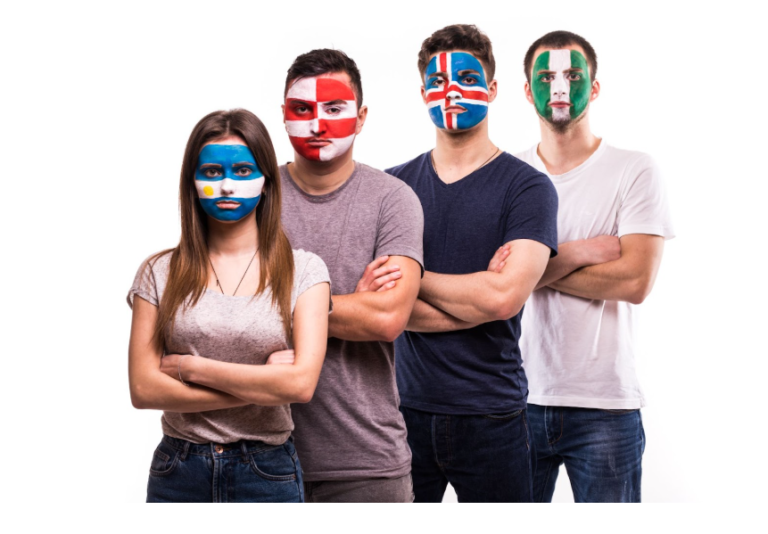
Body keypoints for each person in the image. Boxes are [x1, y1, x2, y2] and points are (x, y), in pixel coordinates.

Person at [385, 24, 559, 502]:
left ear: (494, 89)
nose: (453, 91)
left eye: (466, 77)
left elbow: (504, 298)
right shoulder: (392, 188)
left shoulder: (528, 188)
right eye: (438, 83)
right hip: (399, 413)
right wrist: (474, 293)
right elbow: (377, 307)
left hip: (493, 416)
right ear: (423, 93)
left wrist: (412, 279)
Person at [127, 109, 331, 503]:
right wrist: (262, 386)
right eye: (211, 173)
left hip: (267, 470)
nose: (225, 186)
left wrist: (191, 367)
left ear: (267, 183)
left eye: (241, 171)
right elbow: (142, 388)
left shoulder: (305, 270)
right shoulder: (158, 271)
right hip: (179, 468)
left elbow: (301, 385)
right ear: (193, 182)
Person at [514, 30, 674, 502]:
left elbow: (635, 280)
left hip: (605, 405)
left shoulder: (635, 169)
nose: (559, 88)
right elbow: (495, 283)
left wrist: (534, 271)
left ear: (595, 87)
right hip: (516, 400)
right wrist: (580, 252)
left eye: (572, 75)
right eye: (546, 77)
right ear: (527, 91)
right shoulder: (509, 175)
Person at [278, 48, 424, 502]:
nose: (318, 125)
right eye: (302, 110)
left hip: (367, 461)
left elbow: (386, 319)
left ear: (361, 117)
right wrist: (346, 303)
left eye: (335, 109)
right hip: (260, 456)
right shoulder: (252, 193)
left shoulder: (393, 199)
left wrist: (276, 300)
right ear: (283, 116)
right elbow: (218, 300)